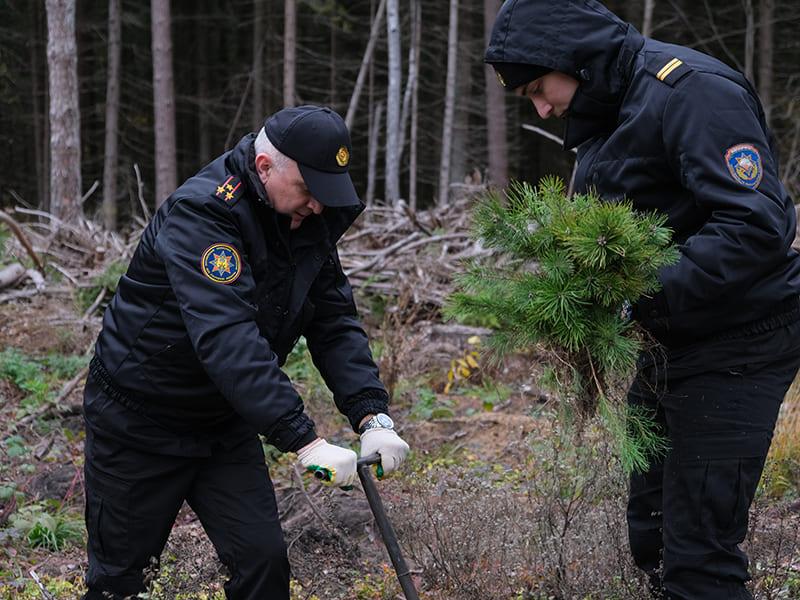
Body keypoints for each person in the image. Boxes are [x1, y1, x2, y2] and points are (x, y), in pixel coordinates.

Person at [485, 1, 800, 598]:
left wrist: (633, 295)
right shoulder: (608, 104)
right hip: (670, 338)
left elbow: (754, 227)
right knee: (650, 534)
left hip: (742, 340)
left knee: (698, 553)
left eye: (538, 89)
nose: (543, 108)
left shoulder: (693, 93)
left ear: (572, 57)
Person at [81, 105, 410, 599]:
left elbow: (334, 322)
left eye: (326, 192)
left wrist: (372, 415)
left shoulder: (306, 219)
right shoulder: (203, 213)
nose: (318, 206)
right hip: (139, 421)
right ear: (264, 168)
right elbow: (227, 338)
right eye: (307, 190)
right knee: (120, 582)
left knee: (264, 562)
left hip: (222, 422)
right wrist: (305, 439)